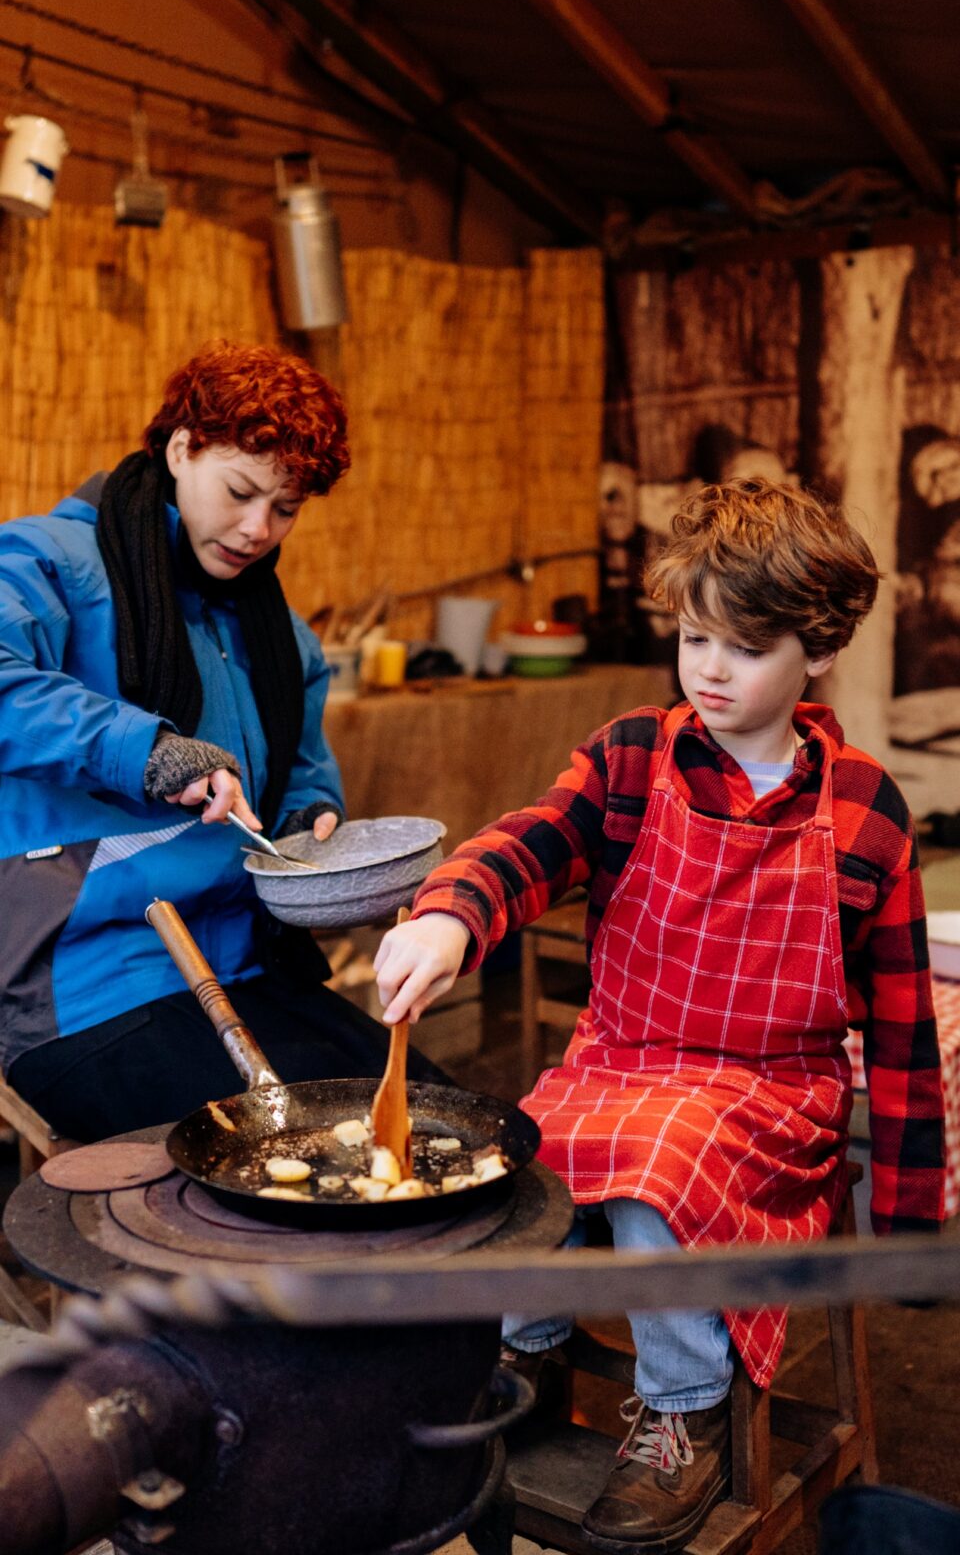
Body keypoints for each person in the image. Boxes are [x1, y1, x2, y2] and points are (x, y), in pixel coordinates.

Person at [373, 477, 946, 1554]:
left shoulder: (864, 808)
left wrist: (907, 1223)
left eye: (746, 644)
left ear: (818, 650)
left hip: (771, 1099)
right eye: (693, 639)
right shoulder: (635, 757)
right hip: (622, 1059)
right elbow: (529, 841)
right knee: (519, 1152)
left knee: (652, 1172)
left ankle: (684, 1411)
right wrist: (451, 917)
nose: (713, 670)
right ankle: (527, 1351)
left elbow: (907, 1027)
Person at [0, 340, 441, 1142]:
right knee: (296, 1164)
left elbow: (305, 776)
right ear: (179, 449)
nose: (256, 530)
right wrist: (148, 749)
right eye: (240, 491)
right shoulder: (52, 562)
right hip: (89, 981)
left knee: (431, 1125)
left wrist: (314, 826)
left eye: (285, 509)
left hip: (243, 964)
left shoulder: (275, 635)